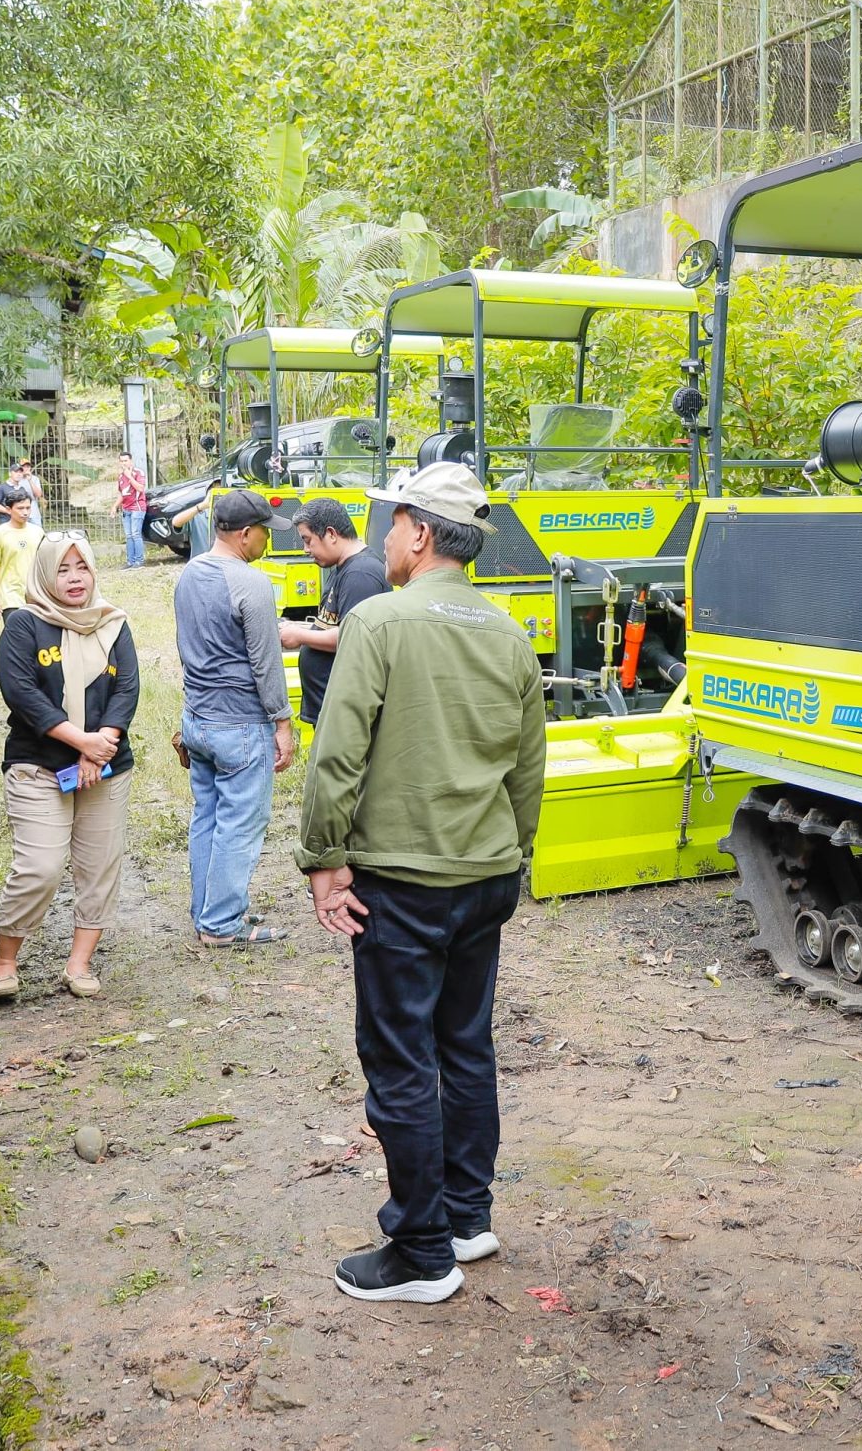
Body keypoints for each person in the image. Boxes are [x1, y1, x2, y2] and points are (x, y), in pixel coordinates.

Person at [298, 463, 546, 1304]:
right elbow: (527, 769)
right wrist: (516, 857)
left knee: (401, 1058)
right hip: (486, 875)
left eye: (391, 523)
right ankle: (467, 1217)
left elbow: (338, 752)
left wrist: (325, 857)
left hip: (404, 882)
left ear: (419, 531)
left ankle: (421, 1252)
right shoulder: (509, 634)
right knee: (465, 1044)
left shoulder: (380, 620)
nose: (383, 539)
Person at [0, 536, 138, 1002]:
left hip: (106, 766)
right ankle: (6, 960)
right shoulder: (23, 626)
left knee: (99, 868)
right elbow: (23, 696)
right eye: (63, 569)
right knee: (40, 867)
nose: (75, 578)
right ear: (45, 575)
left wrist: (101, 747)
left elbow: (127, 689)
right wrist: (83, 744)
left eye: (83, 568)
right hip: (38, 766)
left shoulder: (112, 623)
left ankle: (79, 964)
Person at [173, 491, 297, 949]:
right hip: (241, 725)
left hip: (198, 719)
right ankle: (223, 923)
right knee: (240, 822)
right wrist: (282, 723)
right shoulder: (252, 583)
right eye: (266, 531)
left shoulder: (188, 574)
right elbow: (266, 663)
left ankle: (208, 909)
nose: (268, 539)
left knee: (207, 815)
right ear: (245, 534)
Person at [279, 498, 390, 729]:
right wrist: (298, 628)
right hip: (331, 711)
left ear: (330, 534)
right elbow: (334, 624)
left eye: (308, 540)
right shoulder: (343, 567)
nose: (305, 550)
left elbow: (354, 637)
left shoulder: (361, 573)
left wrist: (300, 637)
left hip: (345, 716)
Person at [0, 493, 40, 621]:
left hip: (34, 594)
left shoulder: (38, 532)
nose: (25, 512)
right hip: (9, 596)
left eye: (28, 508)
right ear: (8, 510)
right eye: (20, 508)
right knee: (17, 636)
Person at [116, 453, 149, 570]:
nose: (124, 463)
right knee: (129, 536)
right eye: (122, 461)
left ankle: (139, 561)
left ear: (131, 461)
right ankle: (130, 561)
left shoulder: (138, 473)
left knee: (135, 534)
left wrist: (130, 477)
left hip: (137, 507)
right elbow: (121, 494)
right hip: (126, 509)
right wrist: (114, 506)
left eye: (126, 461)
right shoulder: (120, 477)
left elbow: (141, 488)